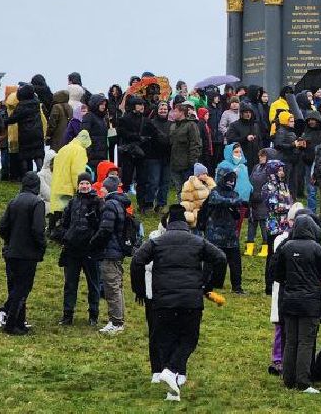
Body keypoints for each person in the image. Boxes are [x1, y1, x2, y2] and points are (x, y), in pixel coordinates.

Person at [131, 203, 227, 400]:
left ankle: (170, 381)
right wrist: (209, 285)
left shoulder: (157, 242)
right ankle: (173, 373)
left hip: (163, 301)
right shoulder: (197, 241)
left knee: (165, 340)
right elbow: (221, 258)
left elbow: (137, 261)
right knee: (188, 339)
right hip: (190, 301)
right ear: (186, 223)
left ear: (168, 223)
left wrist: (139, 289)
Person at [272, 212, 321, 394]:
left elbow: (277, 274)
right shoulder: (316, 248)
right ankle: (303, 381)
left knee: (291, 341)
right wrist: (319, 282)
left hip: (290, 300)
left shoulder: (285, 248)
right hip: (310, 302)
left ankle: (288, 378)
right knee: (306, 342)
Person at [0, 170, 48, 335]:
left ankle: (19, 321)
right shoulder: (37, 203)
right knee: (23, 289)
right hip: (28, 254)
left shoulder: (14, 202)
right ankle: (12, 324)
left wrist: (9, 241)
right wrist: (41, 247)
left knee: (14, 287)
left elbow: (3, 227)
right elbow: (38, 230)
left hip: (11, 252)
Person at [56, 170, 104, 326]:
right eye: (82, 183)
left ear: (91, 185)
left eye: (87, 183)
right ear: (78, 185)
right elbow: (64, 223)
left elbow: (102, 227)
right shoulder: (72, 202)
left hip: (90, 250)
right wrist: (67, 236)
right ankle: (67, 314)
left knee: (94, 284)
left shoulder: (98, 202)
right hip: (72, 250)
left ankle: (93, 315)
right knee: (70, 284)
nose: (84, 186)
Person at [197, 166, 245, 295]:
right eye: (228, 179)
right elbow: (217, 200)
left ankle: (237, 287)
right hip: (214, 234)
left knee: (235, 262)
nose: (231, 182)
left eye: (233, 179)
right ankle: (205, 284)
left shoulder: (234, 194)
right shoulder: (214, 192)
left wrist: (235, 203)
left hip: (230, 235)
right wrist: (234, 202)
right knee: (210, 260)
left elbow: (238, 209)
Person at [93, 172, 132, 333]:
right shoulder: (120, 203)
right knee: (117, 286)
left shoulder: (110, 204)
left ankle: (116, 322)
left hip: (110, 251)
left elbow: (106, 229)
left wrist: (94, 243)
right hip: (117, 250)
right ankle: (118, 320)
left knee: (111, 287)